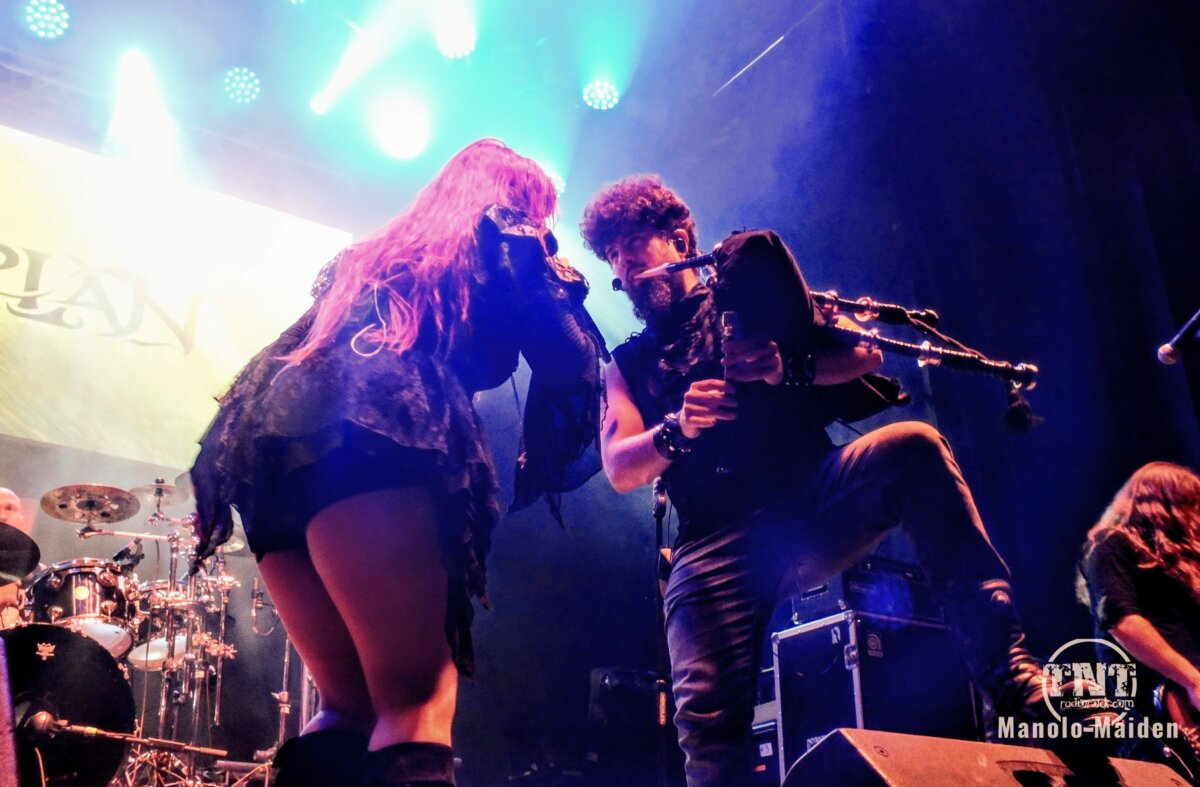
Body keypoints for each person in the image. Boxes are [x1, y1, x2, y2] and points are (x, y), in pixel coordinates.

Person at [581, 174, 1051, 786]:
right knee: (707, 734)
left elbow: (865, 354)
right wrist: (678, 428)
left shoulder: (753, 292)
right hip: (712, 542)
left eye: (632, 244)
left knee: (914, 446)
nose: (623, 266)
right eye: (611, 255)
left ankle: (1012, 676)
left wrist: (789, 367)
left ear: (679, 239)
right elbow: (621, 467)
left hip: (812, 496)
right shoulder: (626, 363)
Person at [189, 140, 605, 787]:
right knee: (417, 699)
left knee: (348, 707)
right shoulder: (507, 235)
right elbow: (570, 360)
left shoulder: (379, 256)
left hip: (267, 458)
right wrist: (557, 276)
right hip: (375, 436)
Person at [1078, 462, 1200, 756]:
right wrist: (1192, 680)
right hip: (1159, 703)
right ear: (1171, 504)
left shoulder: (1179, 562)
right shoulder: (1111, 543)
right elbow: (1122, 621)